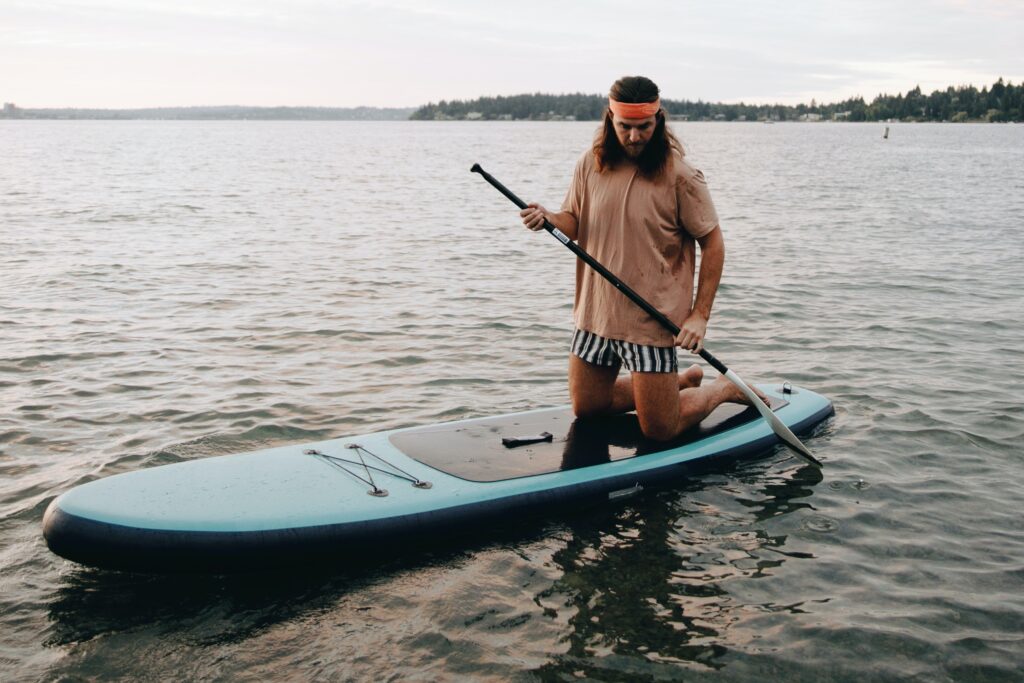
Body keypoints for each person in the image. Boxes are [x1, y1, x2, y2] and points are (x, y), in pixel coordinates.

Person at [520, 75, 766, 441]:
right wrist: (549, 218)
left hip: (651, 320)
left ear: (659, 120)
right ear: (609, 119)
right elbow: (573, 221)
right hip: (596, 312)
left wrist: (699, 316)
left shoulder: (681, 176)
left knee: (660, 430)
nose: (634, 137)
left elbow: (713, 243)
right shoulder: (591, 163)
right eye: (625, 127)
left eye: (644, 127)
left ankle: (721, 390)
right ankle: (679, 383)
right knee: (587, 407)